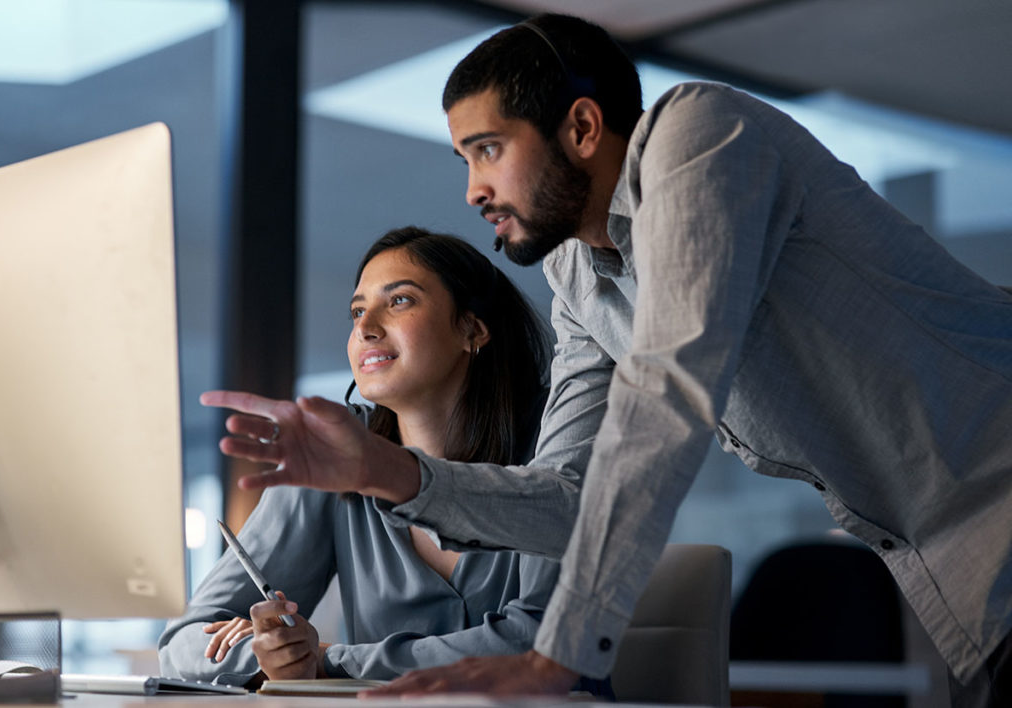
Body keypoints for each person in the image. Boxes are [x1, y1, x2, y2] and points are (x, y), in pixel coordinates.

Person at [202, 15, 1012, 707]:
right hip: (955, 574)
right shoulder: (578, 276)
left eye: (488, 150)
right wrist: (389, 472)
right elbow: (566, 501)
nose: (474, 190)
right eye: (464, 161)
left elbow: (669, 390)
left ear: (583, 129)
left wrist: (559, 654)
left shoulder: (700, 135)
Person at [158, 226, 583, 689]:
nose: (365, 327)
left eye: (399, 301)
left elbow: (539, 644)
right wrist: (267, 652)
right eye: (357, 310)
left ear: (472, 329)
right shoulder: (333, 451)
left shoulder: (560, 437)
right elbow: (181, 644)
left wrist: (330, 661)